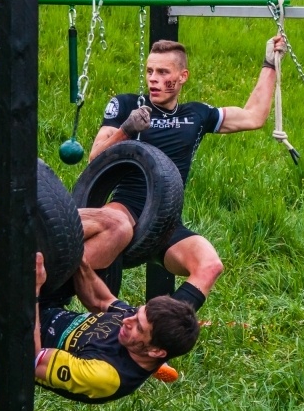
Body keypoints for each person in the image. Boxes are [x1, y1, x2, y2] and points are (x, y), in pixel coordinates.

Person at [77, 35, 286, 313]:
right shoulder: (127, 105)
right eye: (150, 71)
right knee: (115, 228)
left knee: (209, 265)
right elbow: (95, 159)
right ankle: (41, 281)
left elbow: (254, 116)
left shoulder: (197, 115)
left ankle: (153, 326)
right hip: (125, 208)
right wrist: (126, 129)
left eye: (163, 72)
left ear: (182, 76)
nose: (154, 79)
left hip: (165, 221)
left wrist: (270, 63)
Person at [0, 237, 200, 404]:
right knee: (113, 228)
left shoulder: (106, 376)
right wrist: (75, 251)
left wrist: (33, 290)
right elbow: (100, 299)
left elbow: (29, 360)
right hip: (50, 305)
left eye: (139, 327)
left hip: (24, 344)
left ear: (156, 350)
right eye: (136, 312)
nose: (128, 320)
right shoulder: (132, 323)